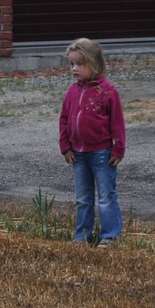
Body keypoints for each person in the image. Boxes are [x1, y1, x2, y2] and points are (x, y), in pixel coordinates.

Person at [58, 37, 125, 248]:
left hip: (102, 154)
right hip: (78, 154)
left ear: (94, 64)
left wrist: (118, 148)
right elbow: (64, 119)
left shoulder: (108, 91)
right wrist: (65, 147)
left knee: (106, 196)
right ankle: (83, 235)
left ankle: (109, 235)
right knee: (83, 198)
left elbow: (117, 122)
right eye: (72, 64)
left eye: (80, 63)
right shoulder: (72, 92)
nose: (74, 68)